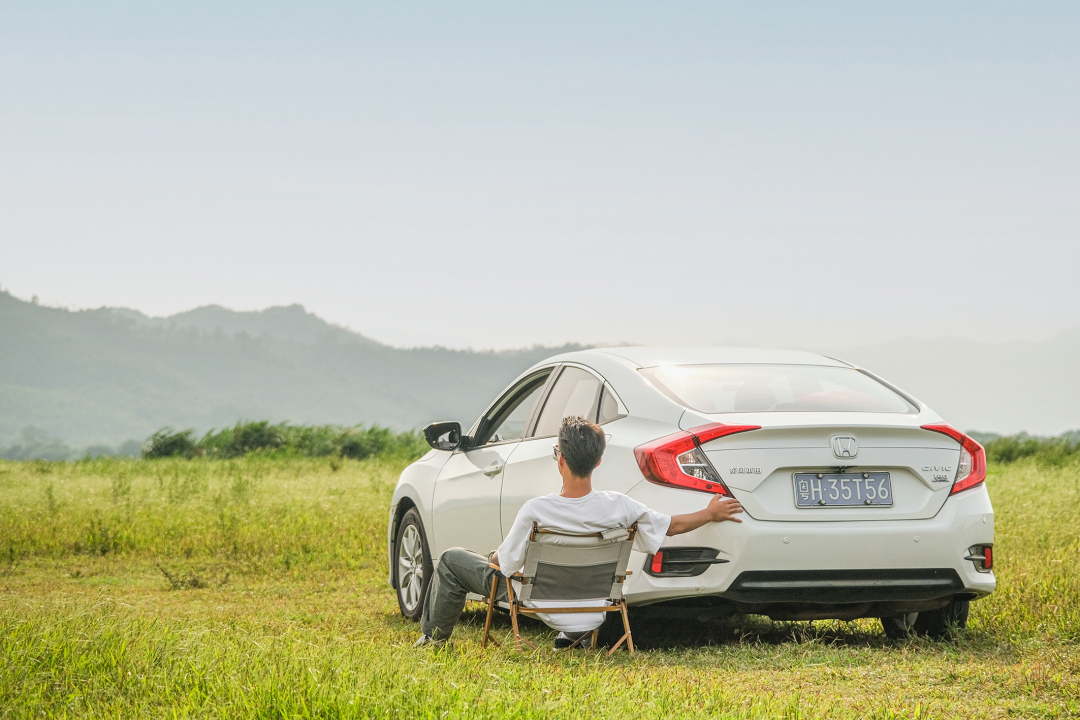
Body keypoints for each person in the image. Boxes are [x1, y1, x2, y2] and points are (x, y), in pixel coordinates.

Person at [415, 415, 744, 647]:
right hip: (593, 610)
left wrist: (493, 557)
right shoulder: (620, 506)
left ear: (560, 459)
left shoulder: (536, 510)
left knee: (452, 560)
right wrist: (709, 513)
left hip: (539, 604)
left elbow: (506, 565)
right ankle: (572, 639)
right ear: (598, 462)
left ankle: (433, 639)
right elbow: (671, 527)